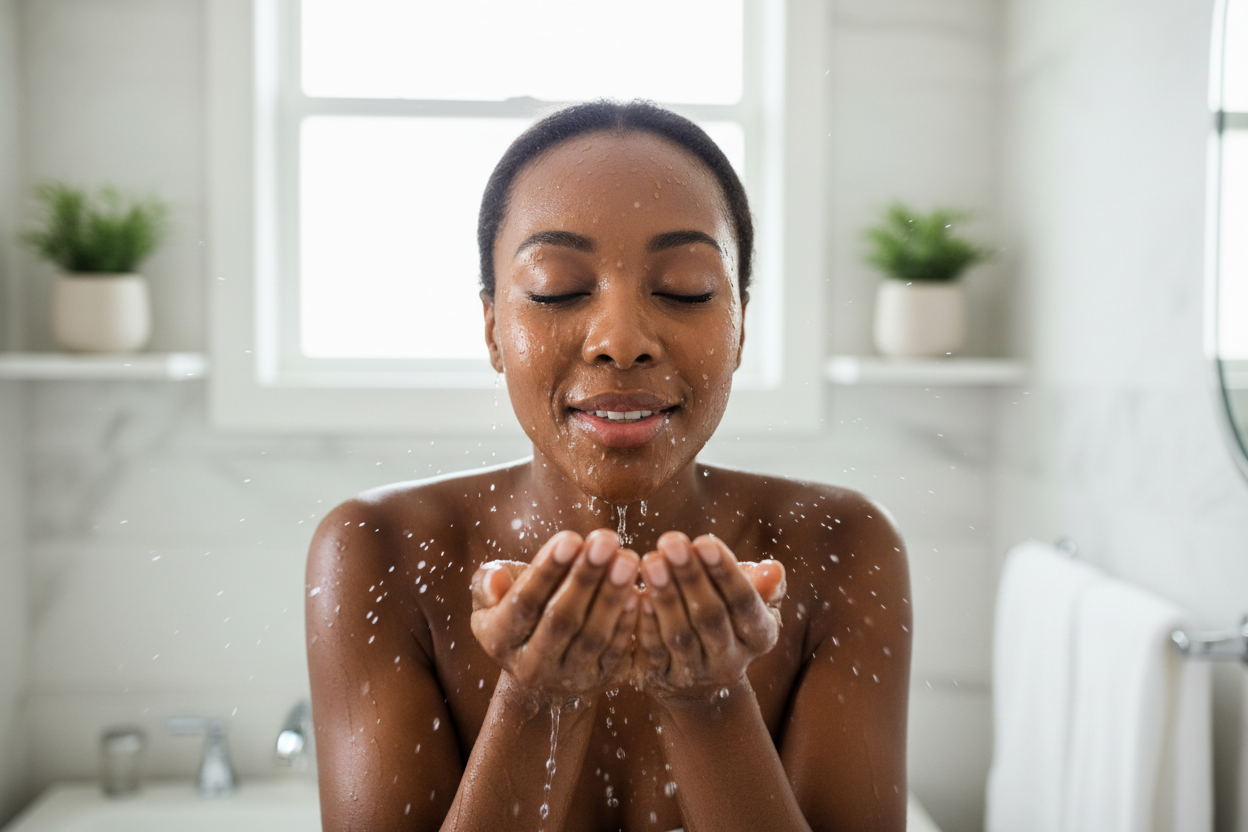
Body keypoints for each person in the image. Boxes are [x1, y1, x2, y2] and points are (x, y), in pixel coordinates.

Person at [306, 100, 911, 832]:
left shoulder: (840, 547)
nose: (621, 341)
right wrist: (537, 701)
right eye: (558, 288)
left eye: (685, 287)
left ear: (742, 324)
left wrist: (710, 700)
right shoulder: (381, 552)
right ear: (493, 325)